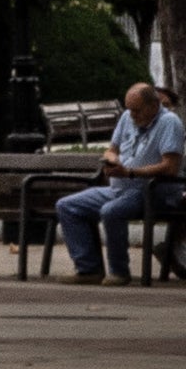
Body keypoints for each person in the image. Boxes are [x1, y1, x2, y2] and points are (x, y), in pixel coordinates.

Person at [57, 81, 179, 280]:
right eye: (129, 109)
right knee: (68, 206)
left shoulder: (169, 122)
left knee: (112, 211)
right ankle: (88, 268)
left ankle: (119, 271)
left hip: (150, 191)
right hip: (119, 189)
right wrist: (112, 160)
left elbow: (170, 167)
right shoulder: (127, 117)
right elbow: (112, 149)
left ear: (153, 106)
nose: (132, 115)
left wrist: (130, 172)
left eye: (137, 110)